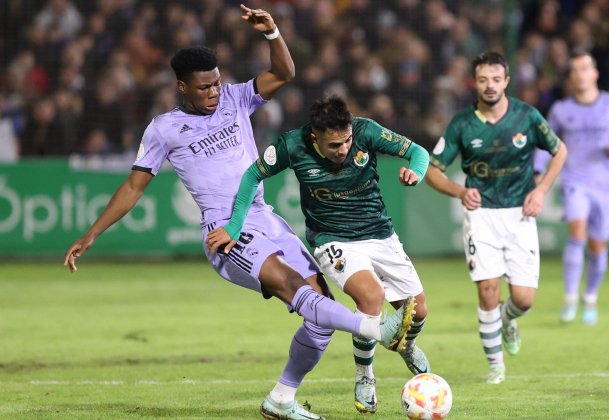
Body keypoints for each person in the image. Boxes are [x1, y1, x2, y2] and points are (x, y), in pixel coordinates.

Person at [62, 5, 415, 420]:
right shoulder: (164, 129)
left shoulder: (235, 98)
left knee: (320, 313)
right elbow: (134, 185)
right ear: (181, 87)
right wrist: (93, 233)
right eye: (203, 88)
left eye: (216, 84)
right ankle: (375, 329)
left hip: (264, 218)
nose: (213, 93)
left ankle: (281, 399)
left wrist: (272, 34)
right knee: (290, 286)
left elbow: (283, 74)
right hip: (225, 232)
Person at [207, 95, 431, 414]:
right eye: (334, 145)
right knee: (371, 297)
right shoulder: (291, 145)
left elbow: (417, 152)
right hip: (332, 240)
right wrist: (234, 225)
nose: (343, 150)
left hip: (380, 234)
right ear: (315, 137)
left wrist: (416, 171)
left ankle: (406, 345)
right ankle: (365, 377)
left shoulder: (367, 131)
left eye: (347, 142)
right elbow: (251, 176)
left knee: (418, 311)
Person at [424, 51, 567, 384]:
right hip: (481, 216)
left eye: (496, 79)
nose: (489, 86)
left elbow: (560, 151)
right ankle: (495, 367)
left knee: (523, 299)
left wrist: (541, 190)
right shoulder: (462, 123)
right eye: (483, 79)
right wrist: (460, 192)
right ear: (474, 82)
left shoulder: (526, 117)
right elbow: (433, 172)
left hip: (519, 215)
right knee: (488, 290)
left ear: (507, 82)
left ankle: (509, 319)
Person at [534, 52, 609, 325]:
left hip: (606, 185)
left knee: (598, 246)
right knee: (577, 232)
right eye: (575, 70)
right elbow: (547, 142)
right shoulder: (561, 110)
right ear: (571, 77)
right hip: (575, 180)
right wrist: (538, 170)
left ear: (595, 73)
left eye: (585, 68)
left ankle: (589, 297)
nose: (580, 74)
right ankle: (569, 298)